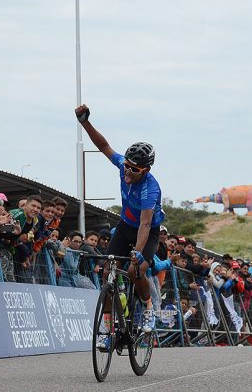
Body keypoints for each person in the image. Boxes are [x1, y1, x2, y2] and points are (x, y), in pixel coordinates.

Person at [75, 103, 165, 337]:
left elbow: (146, 224)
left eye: (134, 169)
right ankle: (107, 327)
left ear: (145, 170)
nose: (127, 172)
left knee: (137, 271)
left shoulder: (150, 189)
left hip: (147, 231)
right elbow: (103, 145)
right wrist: (85, 122)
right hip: (125, 225)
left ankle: (147, 308)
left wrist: (137, 252)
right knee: (107, 272)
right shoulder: (124, 166)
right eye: (126, 166)